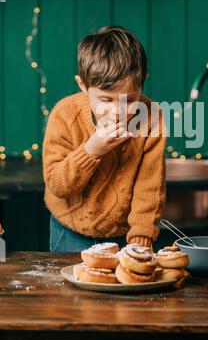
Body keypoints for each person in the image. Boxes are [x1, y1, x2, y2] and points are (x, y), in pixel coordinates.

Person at [42, 26, 167, 252]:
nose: (117, 111)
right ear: (83, 86)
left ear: (142, 82)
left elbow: (149, 192)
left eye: (129, 100)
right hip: (70, 232)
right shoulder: (64, 114)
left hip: (123, 236)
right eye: (106, 100)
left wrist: (141, 243)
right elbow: (58, 185)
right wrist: (91, 150)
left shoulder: (152, 118)